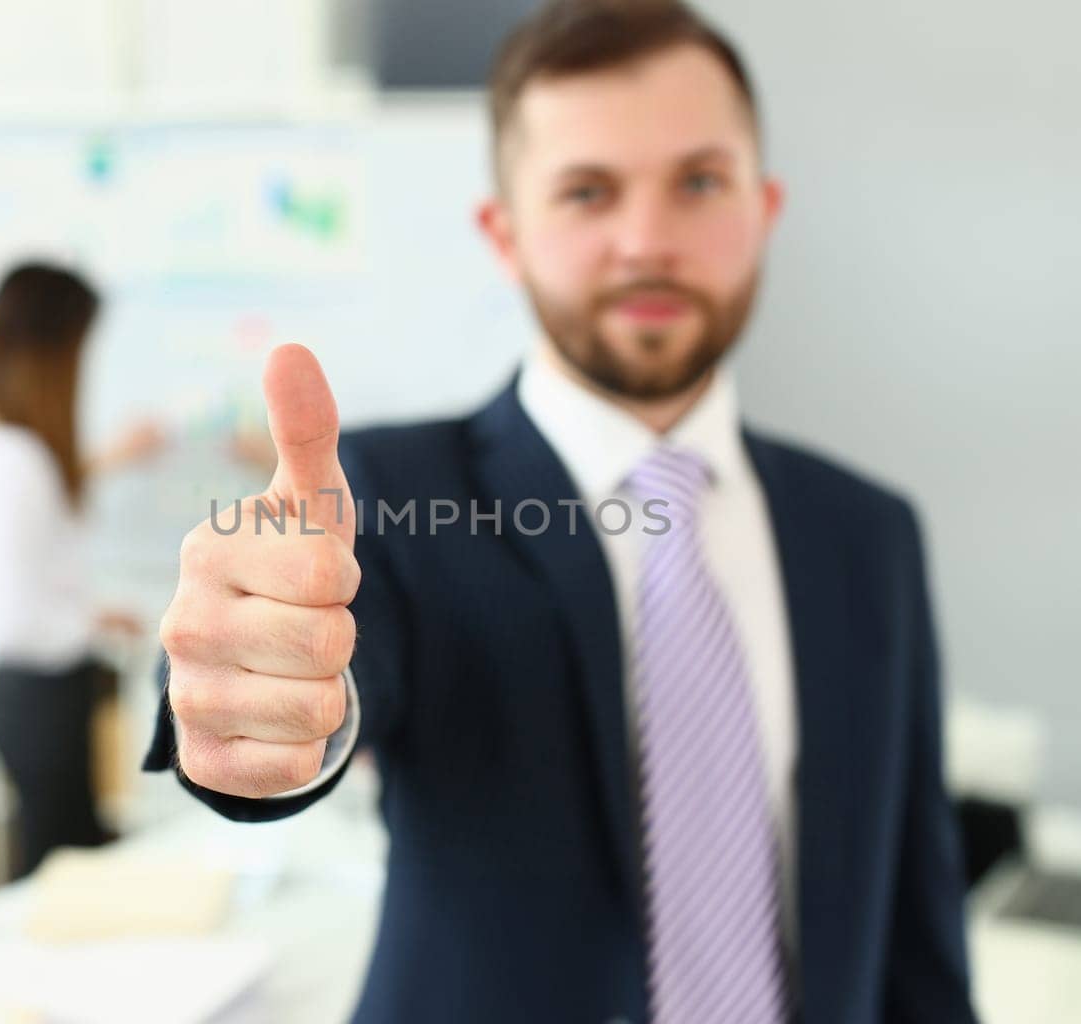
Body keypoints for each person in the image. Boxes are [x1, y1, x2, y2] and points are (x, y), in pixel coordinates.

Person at [146, 2, 978, 1021]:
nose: (646, 242)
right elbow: (311, 660)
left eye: (699, 183)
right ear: (505, 235)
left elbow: (916, 924)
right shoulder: (395, 495)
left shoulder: (867, 536)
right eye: (587, 192)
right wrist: (250, 695)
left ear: (762, 208)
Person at [0, 262, 163, 878]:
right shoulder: (8, 458)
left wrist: (85, 615)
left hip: (41, 695)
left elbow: (21, 573)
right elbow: (12, 617)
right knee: (59, 873)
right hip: (39, 697)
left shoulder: (0, 446)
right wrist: (85, 628)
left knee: (69, 859)